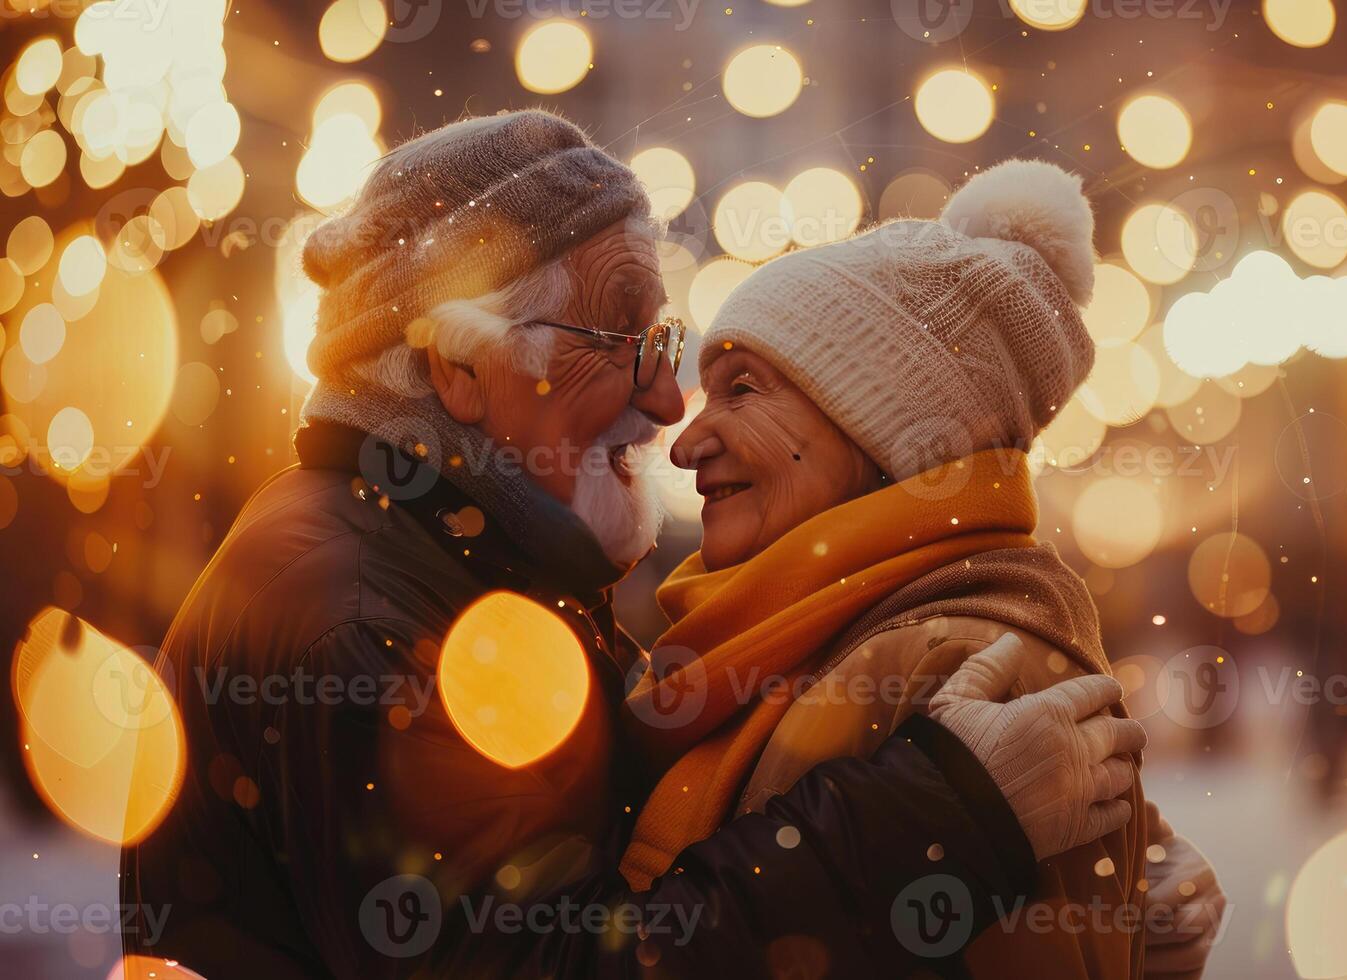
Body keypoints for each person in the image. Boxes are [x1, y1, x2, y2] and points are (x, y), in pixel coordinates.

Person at [119, 111, 1145, 979]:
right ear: (465, 374)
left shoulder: (461, 561)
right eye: (625, 340)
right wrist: (943, 809)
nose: (667, 404)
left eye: (672, 349)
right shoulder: (365, 618)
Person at [644, 159, 1224, 977]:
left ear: (887, 429)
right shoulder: (804, 645)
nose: (686, 442)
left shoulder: (962, 665)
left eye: (742, 389)